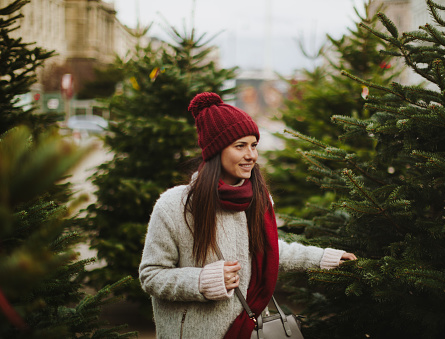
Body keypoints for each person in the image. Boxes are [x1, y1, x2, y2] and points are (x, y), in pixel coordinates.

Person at [139, 92, 357, 339]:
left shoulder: (259, 200)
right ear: (216, 151)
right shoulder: (175, 205)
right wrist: (201, 281)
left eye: (254, 145)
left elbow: (271, 251)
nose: (251, 155)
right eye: (240, 146)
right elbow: (151, 276)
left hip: (247, 330)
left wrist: (325, 258)